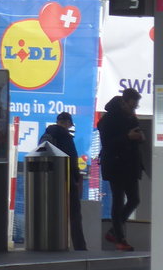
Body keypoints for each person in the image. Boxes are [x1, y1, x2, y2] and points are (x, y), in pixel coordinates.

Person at [96, 88, 145, 251]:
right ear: (123, 102)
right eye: (132, 106)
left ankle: (113, 231)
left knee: (134, 199)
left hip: (130, 164)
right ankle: (119, 237)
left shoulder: (130, 117)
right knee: (118, 200)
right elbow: (107, 144)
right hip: (116, 164)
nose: (134, 109)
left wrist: (139, 137)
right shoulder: (108, 119)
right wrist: (127, 137)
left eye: (136, 106)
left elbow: (134, 136)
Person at [39, 111, 87, 251]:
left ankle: (49, 243)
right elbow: (72, 158)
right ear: (67, 123)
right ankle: (80, 247)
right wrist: (76, 176)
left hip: (48, 181)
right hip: (66, 180)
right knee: (74, 215)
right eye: (69, 124)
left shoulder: (45, 136)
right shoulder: (65, 136)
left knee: (52, 213)